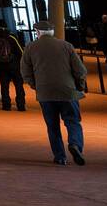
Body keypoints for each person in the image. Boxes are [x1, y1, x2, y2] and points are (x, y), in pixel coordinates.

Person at [21, 21, 88, 166]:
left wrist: (35, 85)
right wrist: (79, 86)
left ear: (37, 33)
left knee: (52, 126)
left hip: (45, 92)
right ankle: (75, 144)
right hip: (67, 91)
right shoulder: (66, 46)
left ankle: (60, 157)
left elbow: (25, 71)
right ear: (52, 32)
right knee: (73, 121)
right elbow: (81, 71)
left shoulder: (30, 47)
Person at [0, 20, 26, 112]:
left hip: (1, 65)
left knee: (4, 86)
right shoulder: (11, 36)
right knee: (18, 85)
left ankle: (6, 105)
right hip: (14, 65)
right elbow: (20, 51)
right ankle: (21, 105)